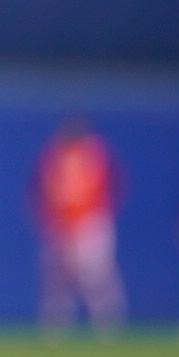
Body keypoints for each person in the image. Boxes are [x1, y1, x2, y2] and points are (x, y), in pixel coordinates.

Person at [37, 117, 126, 332]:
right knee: (57, 278)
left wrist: (92, 220)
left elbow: (110, 189)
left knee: (95, 275)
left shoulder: (95, 155)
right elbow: (41, 190)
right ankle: (56, 326)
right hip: (59, 224)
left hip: (90, 223)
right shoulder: (55, 155)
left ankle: (108, 322)